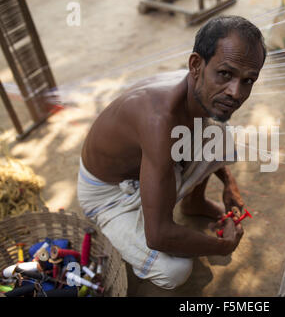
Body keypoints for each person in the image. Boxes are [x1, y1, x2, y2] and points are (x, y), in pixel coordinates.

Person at [77, 15, 266, 290]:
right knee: (174, 271)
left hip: (148, 164)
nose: (236, 93)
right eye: (225, 74)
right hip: (107, 195)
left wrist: (229, 183)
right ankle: (109, 225)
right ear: (196, 65)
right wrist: (222, 246)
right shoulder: (159, 120)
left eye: (248, 80)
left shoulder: (196, 89)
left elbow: (202, 134)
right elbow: (158, 235)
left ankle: (194, 203)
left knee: (219, 138)